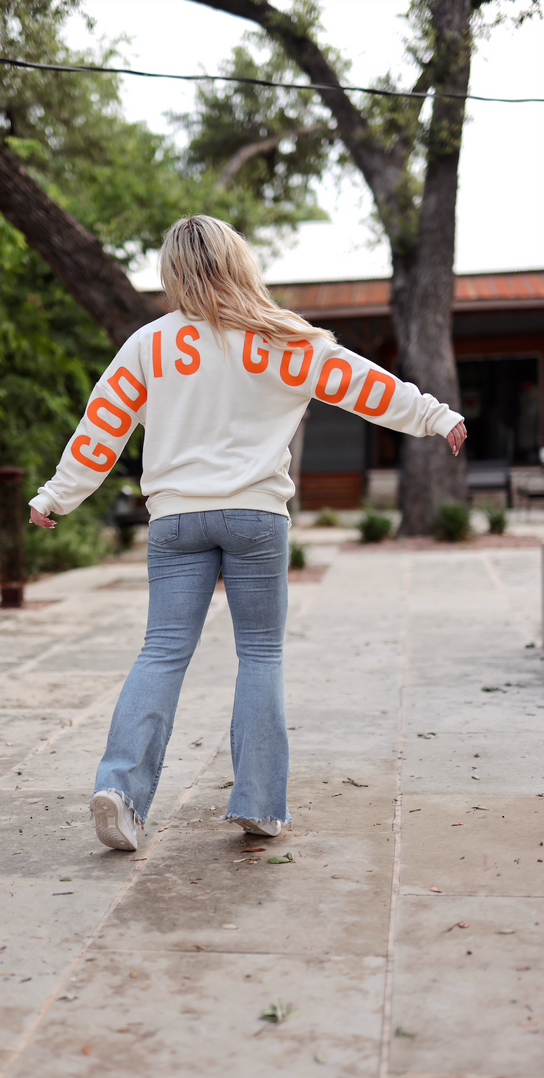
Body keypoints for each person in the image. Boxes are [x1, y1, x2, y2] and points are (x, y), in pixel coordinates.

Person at [29, 214, 467, 852]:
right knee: (260, 656)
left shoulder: (148, 345)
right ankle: (260, 806)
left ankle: (120, 791)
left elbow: (101, 430)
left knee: (161, 653)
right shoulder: (284, 339)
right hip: (257, 518)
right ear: (241, 263)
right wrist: (435, 416)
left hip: (176, 519)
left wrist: (54, 498)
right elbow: (365, 387)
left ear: (172, 272)